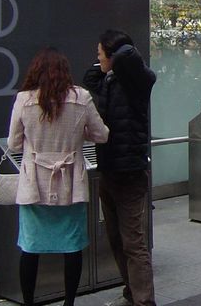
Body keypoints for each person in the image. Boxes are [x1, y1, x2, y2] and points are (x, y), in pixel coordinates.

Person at [8, 48, 109, 306]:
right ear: (65, 71)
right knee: (71, 246)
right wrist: (78, 137)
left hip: (34, 184)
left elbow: (14, 143)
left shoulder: (23, 100)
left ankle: (29, 302)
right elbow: (102, 134)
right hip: (71, 182)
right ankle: (69, 302)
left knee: (30, 248)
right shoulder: (81, 97)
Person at [83, 30, 157, 306]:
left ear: (116, 56)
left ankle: (145, 301)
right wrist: (106, 62)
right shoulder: (108, 79)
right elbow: (89, 77)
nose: (97, 59)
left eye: (100, 54)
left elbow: (130, 60)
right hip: (109, 168)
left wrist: (119, 52)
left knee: (133, 242)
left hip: (130, 171)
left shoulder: (135, 82)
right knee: (115, 237)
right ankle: (130, 291)